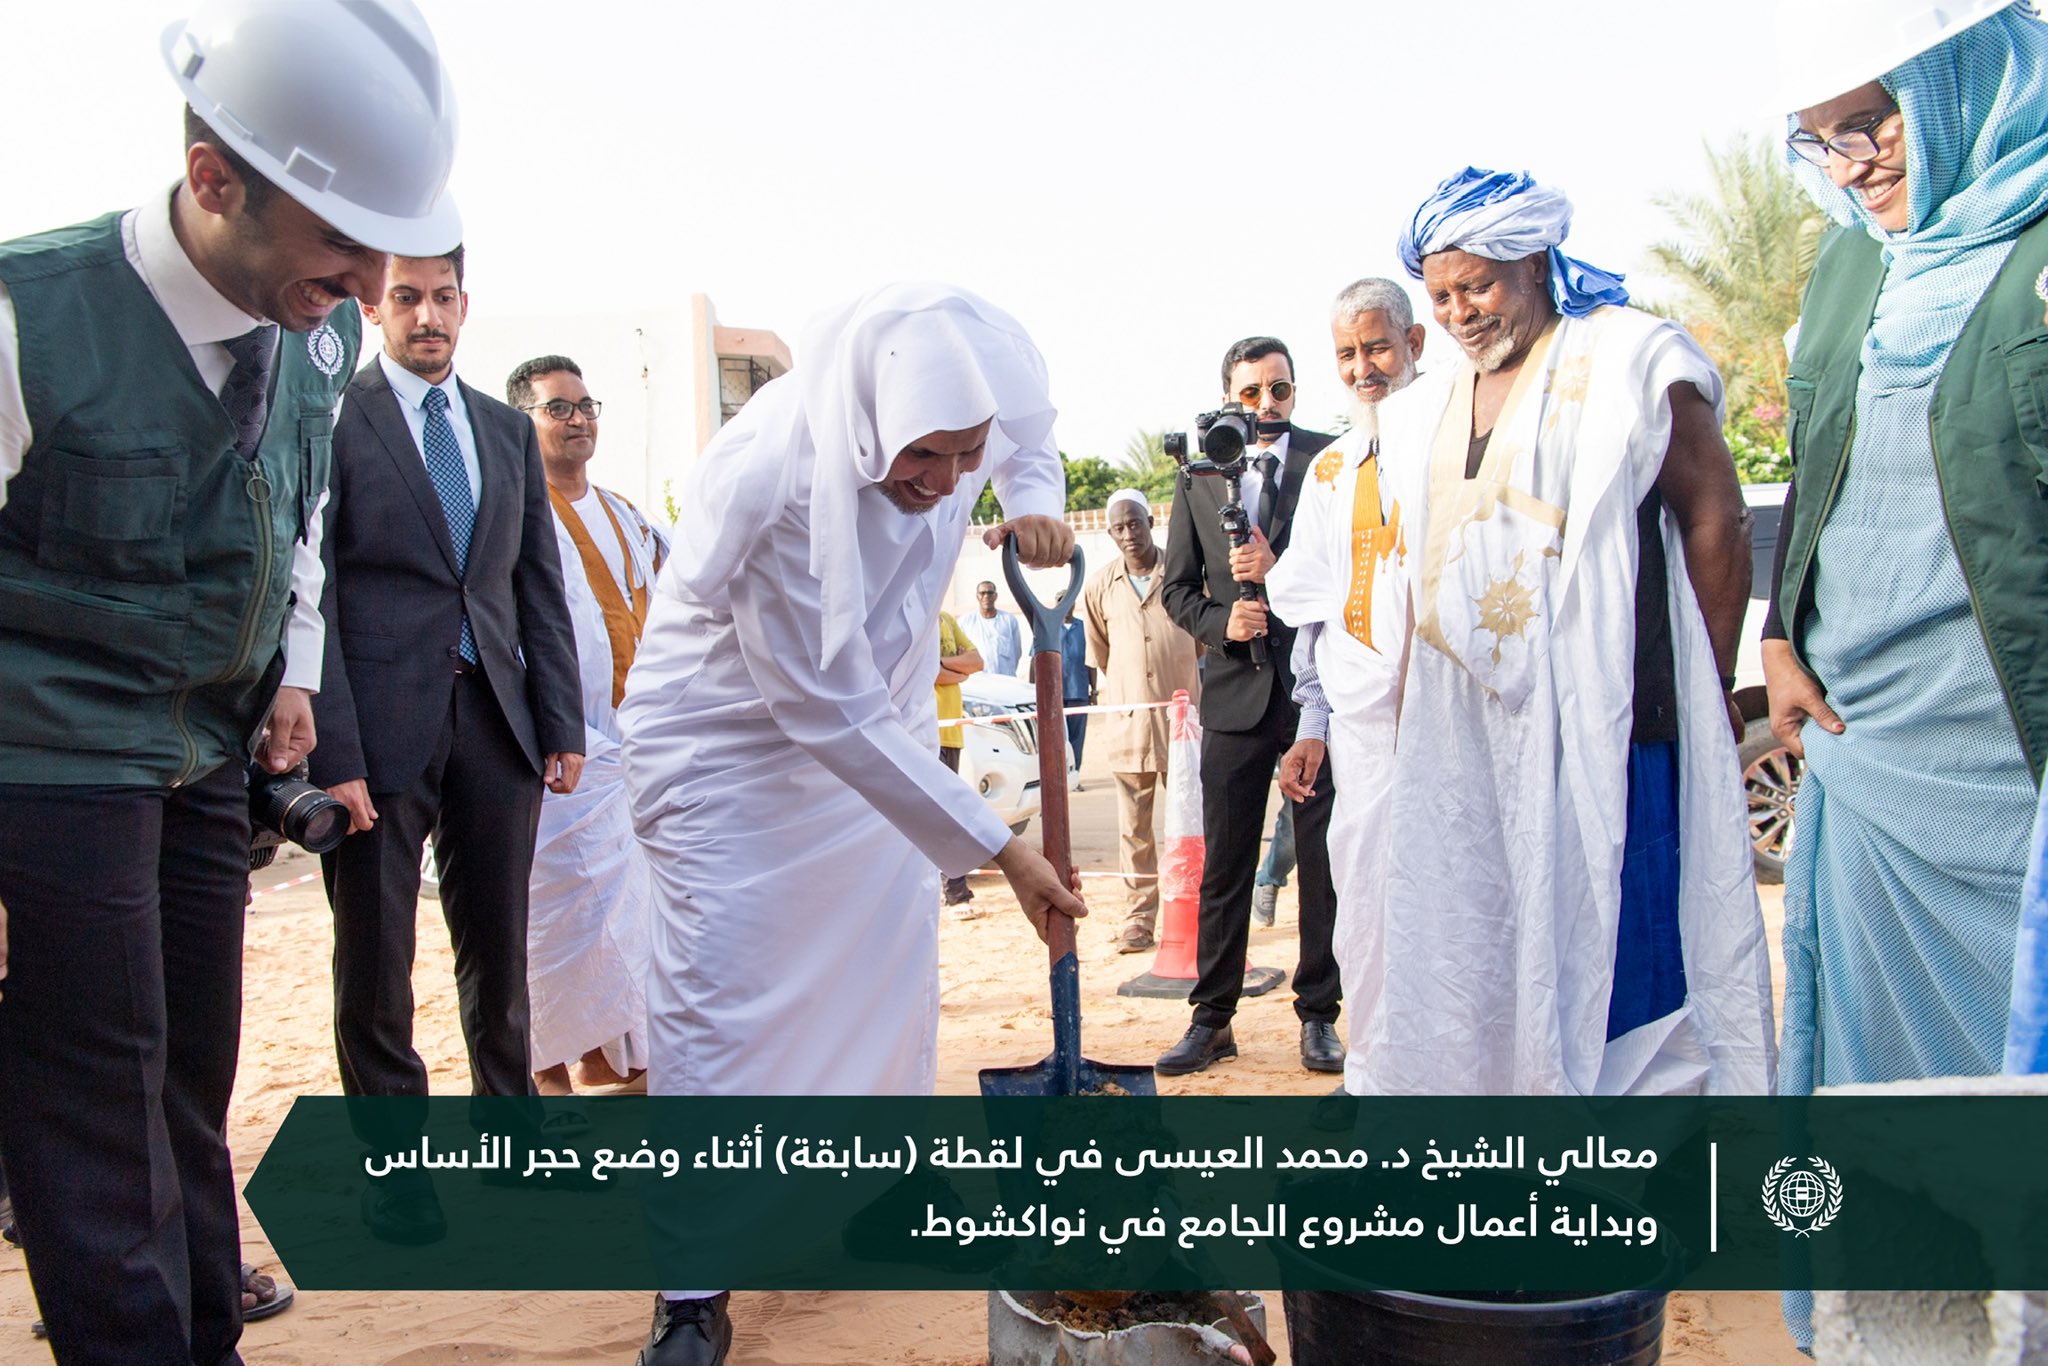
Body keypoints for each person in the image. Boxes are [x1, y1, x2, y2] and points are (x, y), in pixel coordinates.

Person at [0, 0, 460, 1357]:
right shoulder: (27, 318)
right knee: (94, 1093)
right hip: (49, 758)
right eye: (340, 243)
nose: (375, 284)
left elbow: (298, 510)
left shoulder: (313, 330)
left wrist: (294, 669)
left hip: (208, 753)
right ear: (214, 180)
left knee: (191, 1078)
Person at [617, 284, 1086, 1366]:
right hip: (729, 741)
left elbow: (1030, 440)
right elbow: (821, 707)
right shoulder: (773, 474)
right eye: (921, 456)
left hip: (878, 730)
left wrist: (1027, 497)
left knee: (882, 971)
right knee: (716, 1002)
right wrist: (1001, 847)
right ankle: (692, 1282)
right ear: (873, 422)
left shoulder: (981, 374)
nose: (938, 481)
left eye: (960, 456)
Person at [1340, 166, 1775, 1099]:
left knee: (1625, 948)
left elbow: (1717, 517)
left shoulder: (1632, 358)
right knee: (1482, 945)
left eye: (1479, 286)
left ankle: (1644, 1183)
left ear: (1534, 260)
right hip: (1465, 742)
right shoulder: (1424, 407)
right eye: (1442, 293)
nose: (1459, 312)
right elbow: (1429, 567)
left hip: (1611, 721)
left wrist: (1709, 684)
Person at [1763, 2, 2048, 1343]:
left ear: (1964, 81)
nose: (1855, 159)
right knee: (1888, 1109)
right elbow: (1820, 455)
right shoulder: (1846, 270)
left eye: (1874, 120)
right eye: (1820, 140)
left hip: (2016, 773)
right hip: (1871, 758)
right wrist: (1779, 632)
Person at [310, 248, 585, 1245]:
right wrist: (331, 743)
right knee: (375, 955)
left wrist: (560, 722)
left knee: (497, 948)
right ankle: (395, 1170)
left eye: (442, 297)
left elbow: (534, 584)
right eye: (406, 298)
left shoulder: (506, 431)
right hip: (375, 738)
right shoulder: (338, 421)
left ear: (464, 305)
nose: (427, 315)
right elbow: (321, 590)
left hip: (498, 728)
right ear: (373, 307)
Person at [1158, 336, 1345, 1076]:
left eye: (1279, 390)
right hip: (1234, 695)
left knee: (1322, 867)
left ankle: (1319, 1017)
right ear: (1229, 396)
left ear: (1295, 392)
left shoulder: (1333, 465)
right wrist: (1221, 623)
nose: (1265, 406)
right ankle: (1213, 1019)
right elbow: (1177, 588)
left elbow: (1351, 576)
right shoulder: (1198, 475)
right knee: (1227, 866)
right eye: (1251, 393)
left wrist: (1282, 572)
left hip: (1314, 702)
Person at [1266, 277, 1427, 1095]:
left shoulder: (1459, 438)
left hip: (1452, 721)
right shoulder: (1332, 469)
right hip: (1363, 732)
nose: (1365, 367)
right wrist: (1312, 724)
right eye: (1348, 354)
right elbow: (1318, 612)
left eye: (1377, 347)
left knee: (1455, 899)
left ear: (1415, 346)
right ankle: (1381, 1074)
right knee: (1367, 900)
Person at [509, 354, 668, 1098]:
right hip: (548, 753)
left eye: (585, 405)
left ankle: (619, 1061)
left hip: (632, 749)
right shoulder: (510, 512)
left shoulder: (627, 515)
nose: (578, 420)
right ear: (523, 422)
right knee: (551, 921)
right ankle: (545, 1074)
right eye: (557, 409)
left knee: (629, 918)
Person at [1082, 488, 1201, 953]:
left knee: (1190, 821)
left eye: (1135, 523)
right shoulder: (1099, 587)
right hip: (1129, 724)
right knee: (1134, 830)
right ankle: (1138, 919)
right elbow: (1102, 652)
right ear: (1109, 534)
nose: (1128, 534)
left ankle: (1196, 911)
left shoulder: (1186, 573)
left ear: (1151, 522)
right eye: (1118, 527)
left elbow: (1202, 641)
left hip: (1182, 725)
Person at [934, 608, 984, 913]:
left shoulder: (947, 619)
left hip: (951, 733)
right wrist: (956, 671)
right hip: (925, 731)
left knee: (949, 811)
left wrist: (942, 664)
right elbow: (924, 671)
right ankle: (956, 892)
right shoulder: (914, 617)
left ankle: (954, 890)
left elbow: (976, 662)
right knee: (940, 814)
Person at [960, 578, 1026, 677]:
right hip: (978, 679)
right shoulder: (966, 621)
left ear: (995, 596)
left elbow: (1017, 651)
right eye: (982, 593)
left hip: (1005, 678)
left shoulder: (1008, 620)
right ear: (977, 596)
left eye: (990, 593)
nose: (986, 596)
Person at [1059, 607, 1093, 776]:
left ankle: (1075, 774)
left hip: (1078, 690)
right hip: (1055, 695)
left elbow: (1091, 660)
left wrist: (1093, 690)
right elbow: (1035, 660)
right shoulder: (1049, 626)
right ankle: (1061, 775)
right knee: (1058, 737)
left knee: (1077, 737)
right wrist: (1033, 690)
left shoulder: (1084, 628)